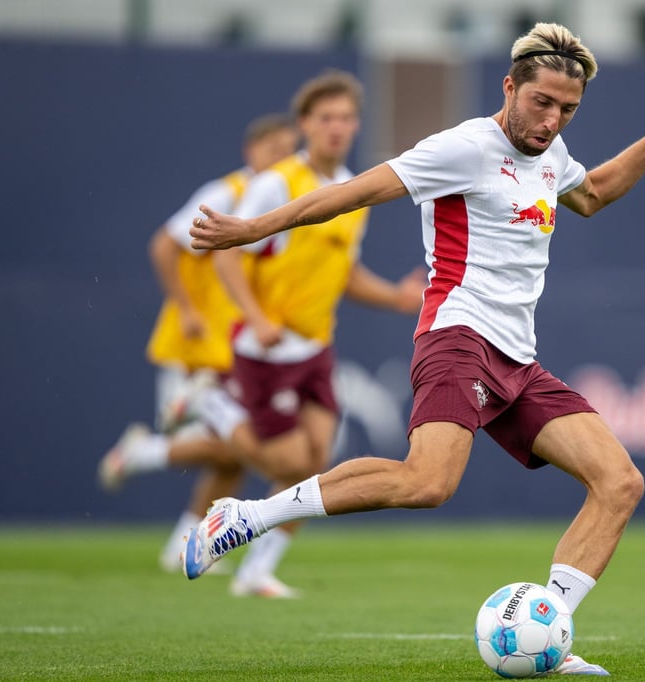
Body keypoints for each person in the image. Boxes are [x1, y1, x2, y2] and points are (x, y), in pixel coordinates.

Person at [186, 23, 645, 675]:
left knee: (619, 482)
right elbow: (349, 194)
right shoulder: (464, 147)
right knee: (426, 482)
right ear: (510, 87)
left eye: (567, 109)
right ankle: (245, 516)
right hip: (458, 338)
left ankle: (546, 633)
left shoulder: (551, 155)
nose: (551, 120)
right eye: (542, 102)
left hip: (517, 359)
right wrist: (249, 229)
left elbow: (597, 193)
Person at [101, 70, 425, 597]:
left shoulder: (349, 187)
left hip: (315, 346)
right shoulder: (276, 182)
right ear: (305, 125)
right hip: (264, 350)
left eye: (346, 117)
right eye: (326, 118)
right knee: (285, 463)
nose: (338, 127)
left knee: (316, 464)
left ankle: (256, 571)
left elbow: (343, 272)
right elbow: (228, 248)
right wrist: (254, 317)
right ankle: (214, 408)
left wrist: (394, 297)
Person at [98, 114, 298, 573]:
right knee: (234, 445)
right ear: (252, 151)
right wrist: (186, 308)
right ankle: (141, 453)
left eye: (289, 152)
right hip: (202, 339)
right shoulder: (225, 193)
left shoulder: (279, 198)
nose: (282, 160)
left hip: (237, 343)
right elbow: (164, 246)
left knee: (232, 457)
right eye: (274, 150)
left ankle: (181, 546)